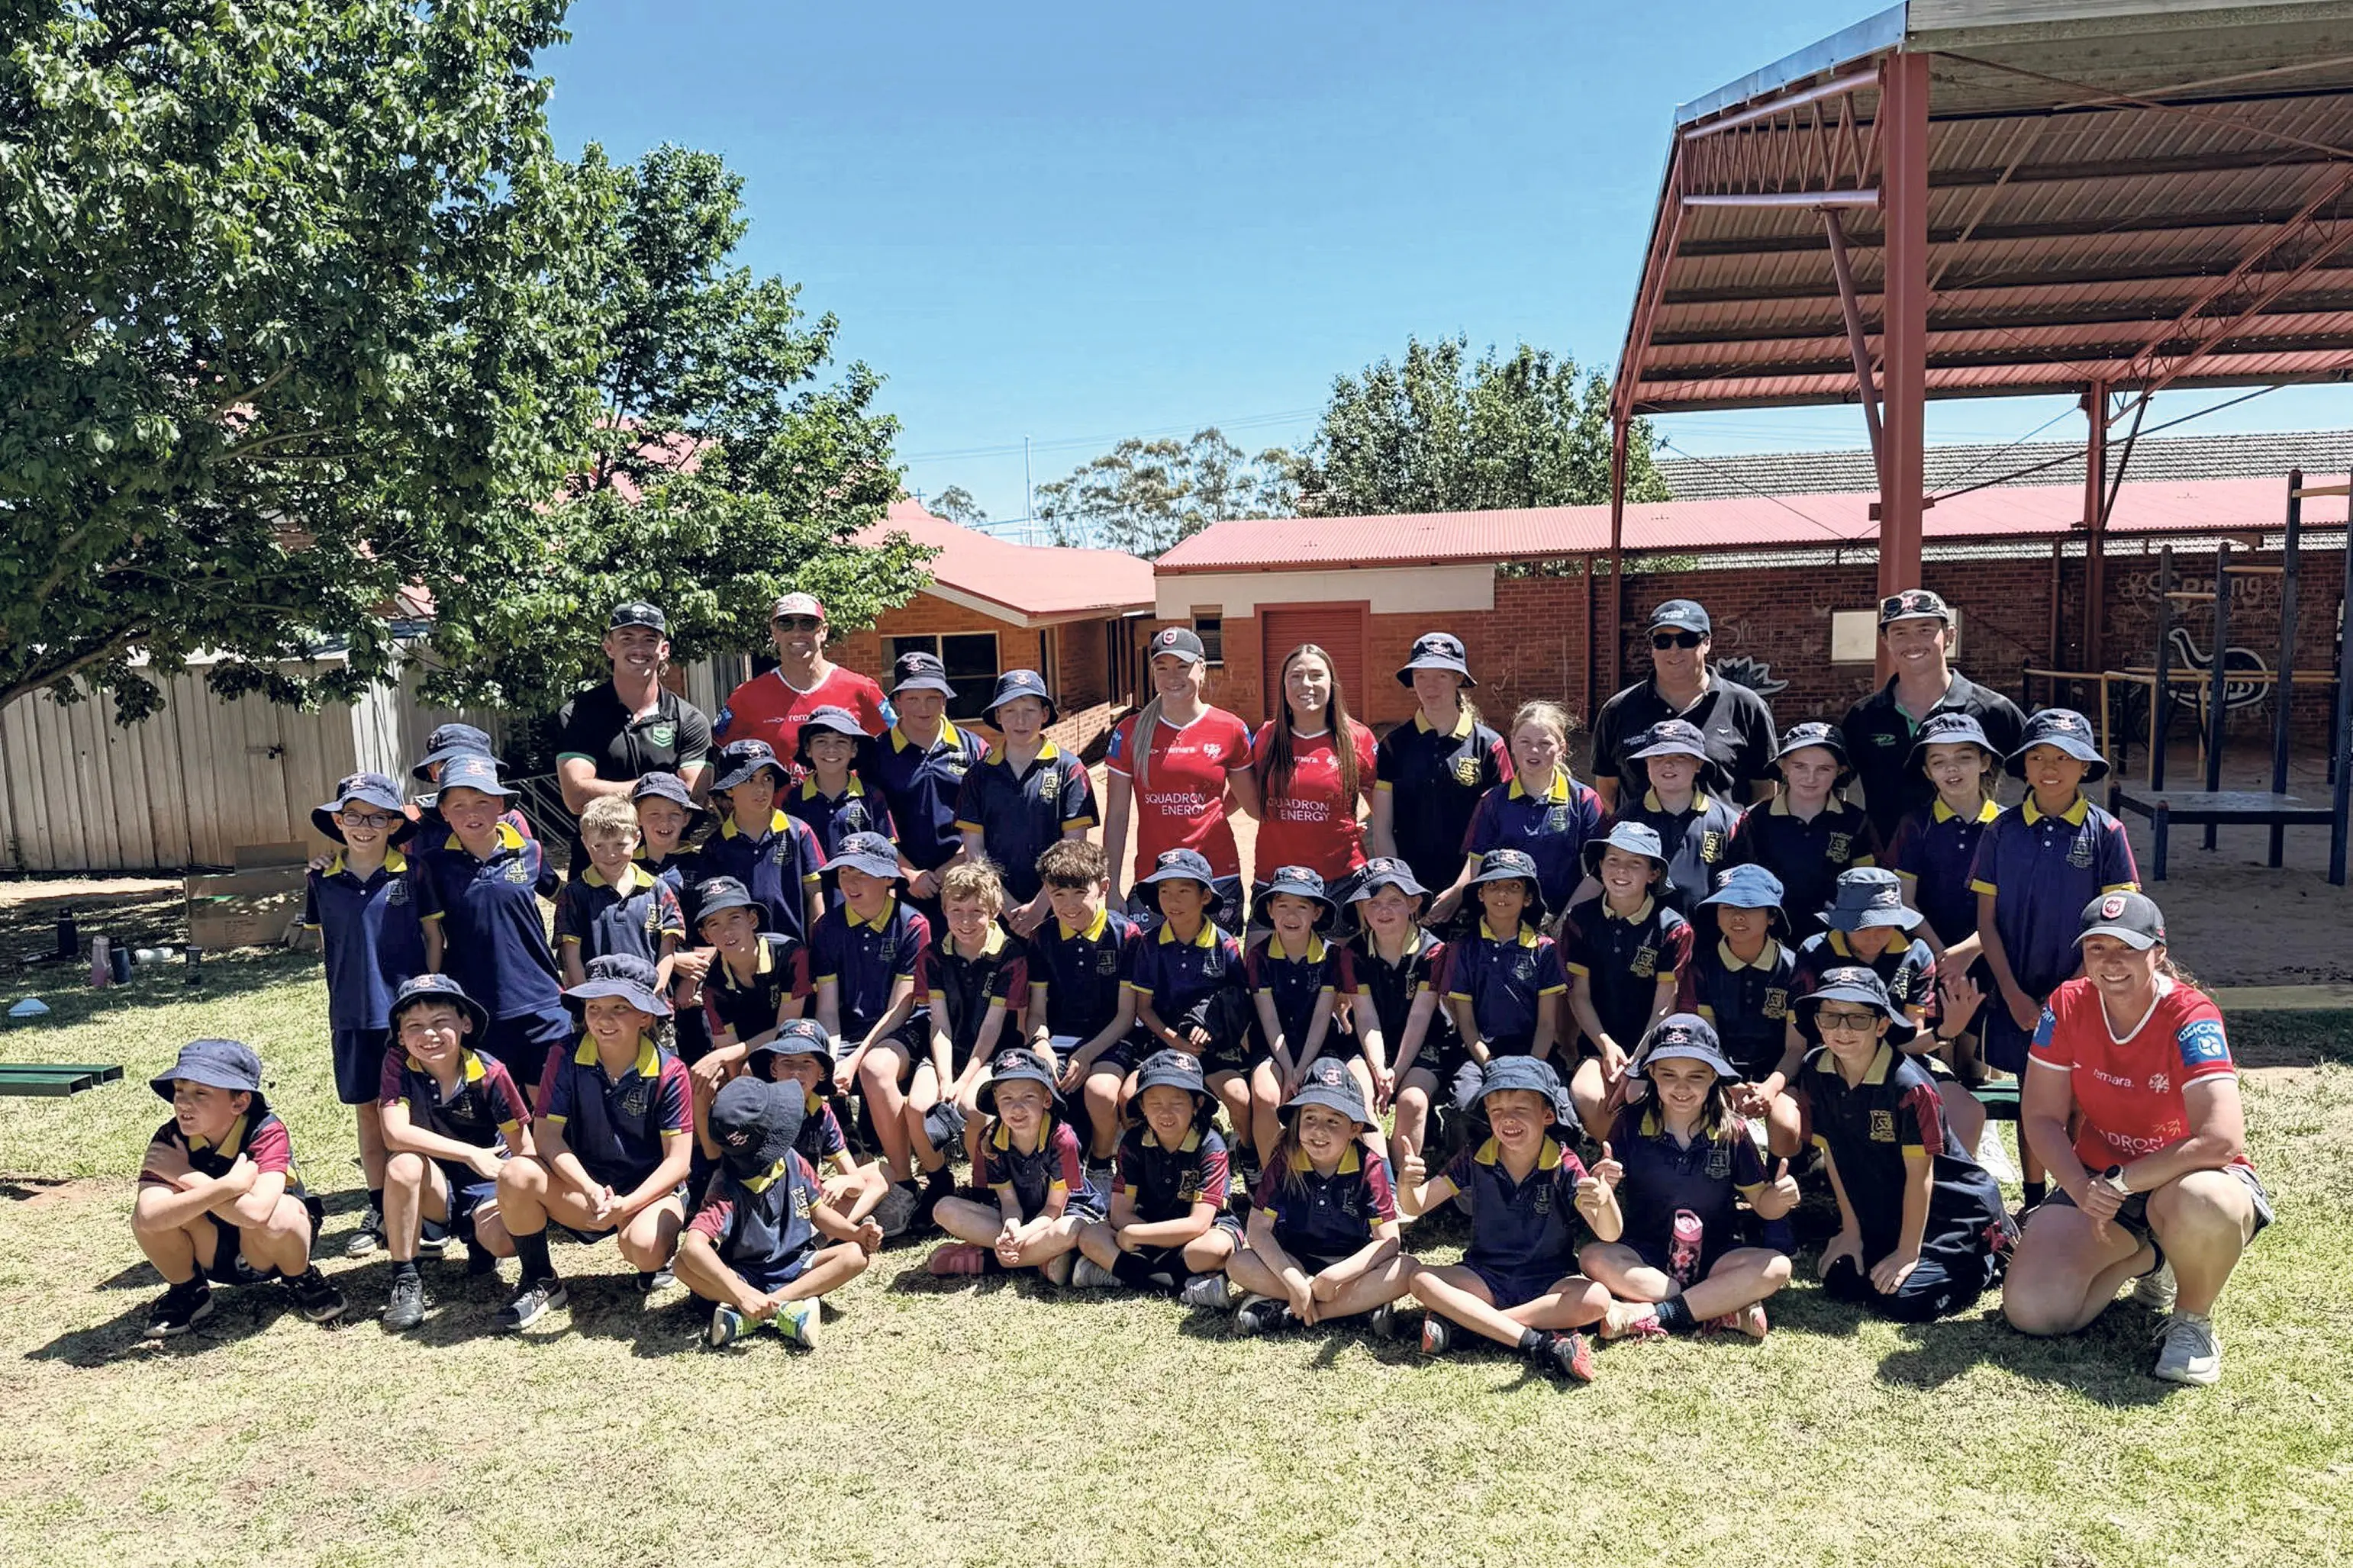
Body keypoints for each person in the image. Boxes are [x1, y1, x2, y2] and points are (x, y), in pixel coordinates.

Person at [2003, 893, 2272, 1386]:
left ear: (2158, 952)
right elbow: (2040, 1116)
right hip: (2100, 1176)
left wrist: (2121, 1182)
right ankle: (2155, 1257)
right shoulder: (2066, 1004)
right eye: (2097, 948)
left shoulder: (2191, 1014)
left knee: (2205, 1201)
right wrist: (2081, 1188)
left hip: (2187, 1175)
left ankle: (2192, 1322)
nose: (2111, 962)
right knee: (2033, 1311)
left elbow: (2220, 1139)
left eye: (2127, 947)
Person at [1971, 707, 2139, 1206]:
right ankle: (2033, 1198)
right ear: (2023, 765)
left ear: (2085, 766)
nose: (2050, 767)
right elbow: (1986, 923)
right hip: (2018, 994)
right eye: (2038, 756)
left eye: (2064, 758)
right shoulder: (2000, 831)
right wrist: (2013, 994)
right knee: (2035, 1097)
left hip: (2085, 994)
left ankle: (2075, 1192)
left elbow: (2119, 926)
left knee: (2082, 1096)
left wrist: (2066, 993)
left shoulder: (2106, 833)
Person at [1794, 968, 2014, 1323]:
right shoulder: (1814, 1069)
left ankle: (1985, 1256)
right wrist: (1851, 1231)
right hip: (1887, 1206)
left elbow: (1921, 1176)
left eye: (1858, 1018)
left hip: (1949, 1208)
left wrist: (1908, 1253)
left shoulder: (1910, 1087)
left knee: (1907, 1302)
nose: (1843, 1030)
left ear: (1882, 1025)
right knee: (1843, 1282)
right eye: (1831, 1016)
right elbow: (1832, 1152)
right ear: (1817, 1022)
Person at [493, 956, 695, 1331]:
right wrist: (589, 1188)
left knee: (645, 1248)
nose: (604, 1019)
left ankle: (658, 1258)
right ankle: (540, 1278)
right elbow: (547, 1138)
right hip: (584, 1190)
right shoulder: (564, 1055)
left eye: (620, 1008)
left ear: (645, 1017)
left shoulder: (671, 1071)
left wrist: (628, 1205)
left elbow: (678, 1163)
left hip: (646, 1194)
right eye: (594, 1007)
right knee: (516, 1173)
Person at [1582, 1016, 1797, 1342]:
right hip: (1646, 1256)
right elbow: (1606, 1224)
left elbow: (1765, 1206)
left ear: (1714, 1077)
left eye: (1695, 1076)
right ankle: (1720, 1304)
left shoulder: (1732, 1131)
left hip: (1716, 1256)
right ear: (1651, 1073)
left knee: (1777, 1266)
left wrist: (1779, 1199)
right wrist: (1604, 1189)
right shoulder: (1630, 1124)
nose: (1681, 1088)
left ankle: (1654, 1313)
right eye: (1669, 1075)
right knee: (1593, 1256)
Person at [1397, 1056, 1610, 1380]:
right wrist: (1407, 1185)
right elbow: (1416, 1205)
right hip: (1485, 1276)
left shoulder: (1564, 1163)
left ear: (1548, 1115)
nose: (1507, 1119)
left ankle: (1473, 1325)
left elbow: (1609, 1233)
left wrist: (1605, 1202)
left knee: (1597, 1298)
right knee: (1420, 1278)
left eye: (1520, 1109)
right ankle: (1537, 1341)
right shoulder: (1475, 1156)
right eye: (1496, 1110)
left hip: (1550, 1281)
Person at [302, 770, 436, 1259]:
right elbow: (329, 943)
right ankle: (380, 1209)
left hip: (407, 1017)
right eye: (354, 816)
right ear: (338, 821)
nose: (365, 826)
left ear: (394, 823)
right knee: (369, 1112)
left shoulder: (414, 872)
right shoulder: (320, 880)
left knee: (416, 1111)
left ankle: (429, 1211)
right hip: (352, 1016)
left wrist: (428, 1001)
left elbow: (433, 938)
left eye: (378, 817)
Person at [134, 1038, 346, 1337]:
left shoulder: (265, 1131)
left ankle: (300, 1278)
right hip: (210, 1247)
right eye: (179, 1090)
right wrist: (226, 1185)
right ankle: (189, 1290)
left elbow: (258, 1213)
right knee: (145, 1216)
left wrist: (183, 1175)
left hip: (268, 1250)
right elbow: (149, 1218)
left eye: (201, 1093)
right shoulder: (171, 1139)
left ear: (240, 1102)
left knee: (283, 1212)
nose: (183, 1102)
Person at [678, 1076, 883, 1351]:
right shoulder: (724, 1188)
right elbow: (693, 1247)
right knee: (682, 1265)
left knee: (855, 1255)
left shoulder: (792, 1159)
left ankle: (762, 1310)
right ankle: (777, 1308)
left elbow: (819, 1213)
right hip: (743, 1276)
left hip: (798, 1263)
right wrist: (741, 1292)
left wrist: (855, 1233)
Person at [376, 974, 533, 1331]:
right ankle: (406, 1277)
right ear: (400, 1035)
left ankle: (481, 1243)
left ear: (465, 1024)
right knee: (402, 1164)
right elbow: (394, 1133)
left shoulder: (491, 1072)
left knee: (504, 1241)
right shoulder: (397, 1064)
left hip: (487, 1183)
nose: (428, 1035)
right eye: (414, 1026)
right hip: (434, 1181)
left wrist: (516, 1193)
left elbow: (524, 1149)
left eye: (440, 1022)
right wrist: (469, 1153)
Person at [1226, 1058, 1417, 1336]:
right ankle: (1352, 1308)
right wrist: (1296, 1280)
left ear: (1355, 1128)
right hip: (1295, 1261)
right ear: (1297, 1120)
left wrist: (1335, 1277)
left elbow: (1388, 1242)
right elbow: (1257, 1229)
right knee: (1238, 1264)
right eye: (1310, 1118)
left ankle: (1296, 1311)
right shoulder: (1284, 1161)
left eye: (1333, 1121)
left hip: (1352, 1269)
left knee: (1406, 1268)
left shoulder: (1370, 1166)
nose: (1319, 1130)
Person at [416, 754, 569, 1100]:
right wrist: (433, 994)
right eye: (459, 805)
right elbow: (432, 936)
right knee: (502, 1107)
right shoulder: (434, 865)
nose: (471, 813)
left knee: (550, 1105)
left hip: (541, 1000)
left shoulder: (531, 852)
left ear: (501, 805)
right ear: (443, 812)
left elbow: (568, 899)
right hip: (477, 1005)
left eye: (483, 802)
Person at [812, 831, 931, 1234]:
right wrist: (830, 1057)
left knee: (875, 1069)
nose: (850, 882)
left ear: (889, 879)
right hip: (846, 1032)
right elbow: (827, 1008)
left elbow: (902, 1007)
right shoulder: (827, 927)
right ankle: (842, 1177)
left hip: (901, 1028)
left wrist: (853, 1060)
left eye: (862, 873)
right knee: (805, 1064)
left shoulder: (912, 923)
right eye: (844, 873)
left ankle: (904, 1182)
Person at [1841, 588, 2026, 844]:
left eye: (1925, 629)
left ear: (1950, 635)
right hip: (1889, 860)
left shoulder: (1992, 710)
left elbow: (2042, 774)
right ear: (1885, 641)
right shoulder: (1864, 716)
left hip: (1977, 859)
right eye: (1900, 632)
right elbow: (1833, 783)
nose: (1912, 642)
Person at [1103, 626, 1259, 919]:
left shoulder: (1231, 728)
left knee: (1216, 952)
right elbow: (1117, 816)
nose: (1172, 676)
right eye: (1162, 668)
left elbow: (1254, 805)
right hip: (1154, 878)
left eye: (1182, 666)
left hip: (1216, 875)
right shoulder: (1130, 732)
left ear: (1202, 668)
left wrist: (1214, 813)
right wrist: (1111, 889)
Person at [1881, 713, 2002, 1085]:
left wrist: (1970, 950)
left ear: (1984, 762)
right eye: (1939, 761)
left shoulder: (2007, 826)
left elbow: (2013, 905)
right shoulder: (1915, 825)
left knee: (1978, 1064)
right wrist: (1942, 956)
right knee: (1938, 1061)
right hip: (1929, 958)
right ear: (1927, 771)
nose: (1952, 769)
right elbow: (1904, 900)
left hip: (1991, 957)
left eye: (1964, 757)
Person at [906, 859, 1030, 1218]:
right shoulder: (933, 955)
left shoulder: (1010, 956)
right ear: (944, 910)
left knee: (975, 1107)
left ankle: (982, 1184)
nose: (965, 921)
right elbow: (939, 1024)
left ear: (994, 912)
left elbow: (993, 1027)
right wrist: (946, 1078)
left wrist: (962, 1084)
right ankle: (938, 1180)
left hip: (993, 1054)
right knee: (916, 1107)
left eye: (976, 912)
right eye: (956, 911)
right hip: (948, 1051)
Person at [1069, 1049, 1241, 1306]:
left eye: (1177, 1103)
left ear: (1197, 1104)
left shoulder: (1211, 1146)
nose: (1166, 1113)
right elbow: (1120, 1213)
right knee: (1089, 1236)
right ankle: (1183, 1285)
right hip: (1148, 1226)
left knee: (1214, 1249)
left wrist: (1135, 1234)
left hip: (1196, 1235)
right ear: (1141, 1106)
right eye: (1155, 1103)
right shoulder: (1132, 1143)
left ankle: (1124, 1274)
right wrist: (1137, 1232)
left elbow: (1198, 1224)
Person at [553, 599, 714, 870]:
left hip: (670, 869)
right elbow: (577, 796)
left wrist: (610, 791)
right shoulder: (578, 715)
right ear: (609, 647)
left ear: (664, 650)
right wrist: (658, 787)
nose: (639, 648)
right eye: (627, 638)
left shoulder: (690, 720)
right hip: (597, 868)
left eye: (649, 640)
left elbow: (694, 797)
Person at [1560, 823, 1692, 1138]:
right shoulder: (1580, 918)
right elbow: (1579, 995)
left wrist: (1638, 1062)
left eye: (1635, 863)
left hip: (1655, 1045)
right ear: (1600, 866)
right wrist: (1606, 1046)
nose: (1621, 870)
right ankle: (1615, 1155)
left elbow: (1664, 1007)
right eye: (1613, 860)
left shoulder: (1673, 929)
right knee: (1588, 1095)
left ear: (1653, 874)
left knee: (1638, 1095)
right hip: (1598, 1043)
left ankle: (1651, 1153)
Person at [927, 1048, 1104, 1280]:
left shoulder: (1063, 1140)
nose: (1017, 1108)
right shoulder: (992, 1140)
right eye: (1007, 1099)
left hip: (1062, 1213)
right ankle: (1039, 1259)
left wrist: (1022, 1235)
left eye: (1028, 1097)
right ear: (996, 1102)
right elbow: (1009, 1204)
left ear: (1047, 1100)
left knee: (1068, 1231)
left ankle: (992, 1261)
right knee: (944, 1209)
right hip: (1022, 1213)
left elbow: (1053, 1210)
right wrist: (1012, 1227)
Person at [1123, 848, 1254, 1159]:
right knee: (1128, 1097)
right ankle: (1149, 1159)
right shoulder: (1149, 944)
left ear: (1205, 897)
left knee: (1240, 1098)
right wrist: (1174, 1040)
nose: (1173, 900)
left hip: (1215, 1049)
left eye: (1184, 891)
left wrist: (1213, 1028)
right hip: (1163, 1043)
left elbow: (1240, 1000)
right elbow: (1144, 1008)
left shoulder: (1224, 943)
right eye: (1164, 891)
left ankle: (1248, 1153)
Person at [1588, 599, 1778, 810]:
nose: (1674, 649)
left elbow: (1764, 788)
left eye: (1687, 639)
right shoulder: (1618, 710)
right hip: (1641, 832)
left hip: (1725, 832)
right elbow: (1607, 788)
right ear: (1652, 647)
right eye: (1662, 641)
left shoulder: (1746, 707)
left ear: (1707, 643)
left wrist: (1740, 828)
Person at [1433, 700, 1604, 928]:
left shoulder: (1585, 800)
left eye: (1544, 743)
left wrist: (1566, 922)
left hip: (1563, 923)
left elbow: (1598, 871)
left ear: (1562, 748)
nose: (1534, 751)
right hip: (1505, 924)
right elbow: (1478, 868)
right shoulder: (1492, 801)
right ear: (1512, 744)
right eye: (1525, 742)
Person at [1368, 632, 1513, 899]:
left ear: (1459, 679)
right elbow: (1382, 828)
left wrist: (1461, 890)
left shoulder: (1490, 746)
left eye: (1441, 676)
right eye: (1421, 676)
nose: (1430, 686)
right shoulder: (1393, 745)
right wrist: (1400, 887)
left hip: (1475, 888)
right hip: (1409, 889)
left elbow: (1500, 826)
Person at [952, 669, 1096, 936]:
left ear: (1045, 714)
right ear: (998, 715)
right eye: (1010, 711)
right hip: (995, 907)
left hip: (1058, 907)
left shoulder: (1070, 769)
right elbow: (974, 850)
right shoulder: (978, 775)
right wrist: (1007, 907)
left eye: (1030, 710)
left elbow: (1074, 848)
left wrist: (1039, 908)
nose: (1020, 720)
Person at [1033, 839, 1147, 1173]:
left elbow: (1126, 1016)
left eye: (1080, 893)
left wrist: (1087, 1054)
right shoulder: (1042, 937)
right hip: (1059, 1038)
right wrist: (1040, 1044)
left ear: (1103, 888)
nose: (1069, 905)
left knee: (1100, 1091)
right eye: (1058, 895)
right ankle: (1044, 1163)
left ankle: (1100, 1163)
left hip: (1111, 1037)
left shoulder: (1127, 935)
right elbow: (1036, 1012)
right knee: (1029, 1088)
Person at [1680, 864, 1804, 1161]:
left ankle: (1789, 1172)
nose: (1737, 916)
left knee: (1786, 1127)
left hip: (1779, 1074)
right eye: (1727, 907)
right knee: (1701, 1123)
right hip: (1718, 1071)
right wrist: (1729, 1083)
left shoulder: (1794, 969)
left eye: (1750, 908)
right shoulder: (1702, 967)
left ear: (1772, 916)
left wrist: (1770, 1089)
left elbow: (1796, 1047)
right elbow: (1706, 1040)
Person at [1249, 642, 1378, 925]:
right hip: (1276, 881)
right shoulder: (1267, 737)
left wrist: (1372, 842)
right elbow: (1244, 798)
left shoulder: (1358, 737)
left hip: (1341, 879)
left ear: (1332, 683)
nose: (1305, 684)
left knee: (1343, 955)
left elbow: (1381, 808)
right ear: (1283, 685)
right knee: (1263, 954)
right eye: (1295, 676)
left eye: (1316, 675)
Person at [1345, 858, 1457, 1178]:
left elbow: (1421, 1016)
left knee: (1413, 1102)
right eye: (1373, 902)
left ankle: (1403, 1173)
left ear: (1414, 903)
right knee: (1360, 1096)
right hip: (1370, 1043)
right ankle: (1384, 1182)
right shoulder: (1353, 952)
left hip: (1422, 1043)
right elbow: (1365, 1016)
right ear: (1361, 908)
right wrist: (1380, 1068)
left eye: (1394, 900)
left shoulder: (1433, 952)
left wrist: (1396, 1073)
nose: (1384, 910)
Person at [1243, 866, 1358, 1165]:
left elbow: (1321, 1017)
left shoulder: (1332, 955)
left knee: (1323, 1097)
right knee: (1267, 1096)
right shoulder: (1259, 956)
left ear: (1317, 913)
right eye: (1282, 905)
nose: (1291, 916)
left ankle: (1321, 1167)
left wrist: (1301, 1069)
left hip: (1319, 1046)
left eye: (1302, 907)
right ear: (1270, 910)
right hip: (1273, 1046)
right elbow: (1269, 1019)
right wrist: (1287, 1068)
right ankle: (1271, 1175)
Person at [1726, 723, 1881, 945]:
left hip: (1834, 940)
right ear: (1783, 766)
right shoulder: (1754, 819)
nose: (1811, 778)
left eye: (1824, 769)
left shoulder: (1856, 822)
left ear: (1840, 771)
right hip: (1770, 939)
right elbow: (1740, 883)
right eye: (1800, 767)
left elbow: (1866, 885)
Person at [688, 875, 811, 1149]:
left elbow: (788, 1029)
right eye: (714, 924)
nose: (727, 931)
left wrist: (724, 1056)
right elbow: (728, 1050)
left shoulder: (790, 954)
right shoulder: (713, 986)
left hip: (799, 1040)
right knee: (703, 1085)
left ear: (753, 920)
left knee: (749, 1070)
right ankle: (715, 1162)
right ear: (706, 936)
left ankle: (775, 1146)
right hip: (746, 1052)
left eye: (734, 918)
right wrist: (736, 1093)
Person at [868, 650, 988, 930]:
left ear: (945, 699)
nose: (923, 708)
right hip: (902, 886)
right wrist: (910, 873)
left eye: (932, 697)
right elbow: (872, 824)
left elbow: (990, 817)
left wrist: (953, 866)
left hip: (966, 878)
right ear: (897, 700)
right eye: (912, 698)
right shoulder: (875, 754)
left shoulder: (975, 749)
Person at [1443, 849, 1570, 1111]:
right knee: (1466, 1105)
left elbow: (1547, 1025)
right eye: (1493, 885)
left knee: (1558, 1112)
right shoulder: (1463, 949)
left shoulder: (1545, 950)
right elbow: (1466, 1023)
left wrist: (1530, 1068)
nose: (1502, 894)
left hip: (1534, 1053)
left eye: (1514, 887)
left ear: (1528, 898)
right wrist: (1491, 1065)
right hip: (1480, 1054)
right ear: (1480, 894)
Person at [714, 591, 892, 773]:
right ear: (774, 632)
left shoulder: (862, 689)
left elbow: (897, 744)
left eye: (808, 623)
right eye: (785, 624)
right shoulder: (746, 696)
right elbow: (717, 755)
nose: (797, 632)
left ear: (824, 631)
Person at [740, 1022, 889, 1226]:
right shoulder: (758, 1109)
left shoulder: (821, 1113)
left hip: (805, 1202)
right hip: (763, 1208)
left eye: (807, 1062)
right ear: (774, 1068)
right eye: (787, 1062)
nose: (796, 1071)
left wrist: (845, 1182)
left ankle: (819, 1238)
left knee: (881, 1174)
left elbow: (854, 1178)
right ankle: (827, 1233)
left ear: (822, 1073)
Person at [1607, 718, 1745, 916]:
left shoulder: (1728, 821)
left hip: (1707, 929)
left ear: (1698, 764)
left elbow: (1741, 884)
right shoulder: (1626, 819)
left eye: (1680, 757)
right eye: (1658, 756)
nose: (1668, 764)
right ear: (1646, 763)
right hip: (1643, 930)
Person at [699, 739, 827, 947]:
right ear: (729, 789)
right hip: (741, 957)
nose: (761, 788)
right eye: (749, 780)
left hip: (795, 954)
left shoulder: (799, 832)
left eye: (767, 778)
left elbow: (815, 894)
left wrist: (818, 949)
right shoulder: (716, 847)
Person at [554, 794, 685, 987]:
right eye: (599, 846)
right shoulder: (575, 894)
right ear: (585, 842)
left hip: (649, 997)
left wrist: (655, 993)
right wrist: (588, 997)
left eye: (620, 844)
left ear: (637, 838)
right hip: (598, 998)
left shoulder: (657, 890)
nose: (610, 854)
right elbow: (571, 955)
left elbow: (667, 952)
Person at [786, 704, 895, 871]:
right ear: (808, 749)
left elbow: (887, 854)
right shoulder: (794, 800)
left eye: (841, 741)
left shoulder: (872, 797)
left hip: (862, 886)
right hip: (812, 887)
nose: (831, 749)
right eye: (821, 741)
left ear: (854, 749)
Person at [408, 722, 534, 845]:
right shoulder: (422, 830)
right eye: (446, 762)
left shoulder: (510, 820)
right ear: (432, 772)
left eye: (469, 762)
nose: (459, 768)